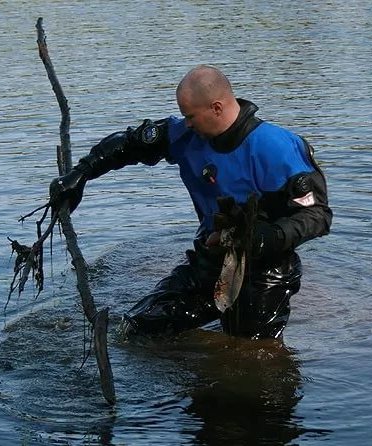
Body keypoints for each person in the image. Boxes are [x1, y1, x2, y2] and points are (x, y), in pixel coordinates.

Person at [49, 65, 332, 339]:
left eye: (191, 116)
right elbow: (129, 144)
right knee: (138, 330)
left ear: (217, 108)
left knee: (248, 352)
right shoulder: (186, 135)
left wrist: (265, 237)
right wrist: (80, 174)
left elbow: (317, 216)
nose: (185, 123)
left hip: (264, 268)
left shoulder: (277, 148)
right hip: (209, 258)